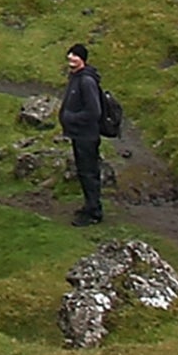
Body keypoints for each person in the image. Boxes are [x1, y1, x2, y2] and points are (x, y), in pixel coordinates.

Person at [58, 42, 104, 225]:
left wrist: (71, 117)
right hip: (79, 134)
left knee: (89, 173)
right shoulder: (76, 77)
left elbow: (94, 111)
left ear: (82, 59)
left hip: (87, 136)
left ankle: (94, 213)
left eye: (75, 55)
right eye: (70, 53)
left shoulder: (86, 81)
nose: (71, 57)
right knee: (84, 172)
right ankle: (90, 206)